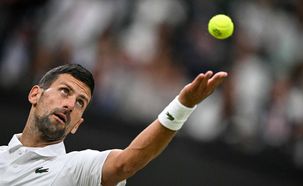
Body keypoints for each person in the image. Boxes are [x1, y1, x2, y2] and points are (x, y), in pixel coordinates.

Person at [0, 64, 228, 186]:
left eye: (80, 102)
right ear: (35, 95)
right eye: (64, 91)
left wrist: (182, 106)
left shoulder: (75, 168)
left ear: (77, 124)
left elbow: (126, 164)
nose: (70, 104)